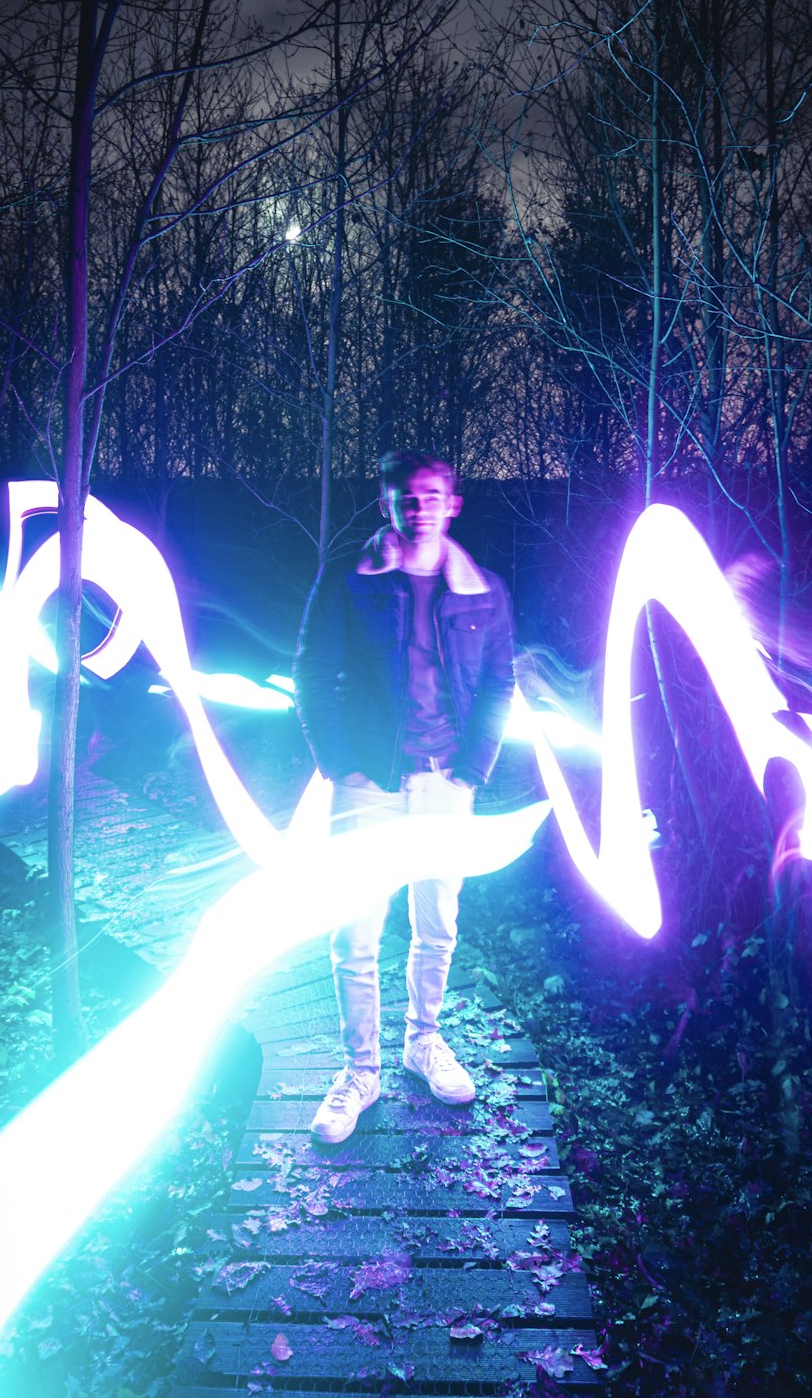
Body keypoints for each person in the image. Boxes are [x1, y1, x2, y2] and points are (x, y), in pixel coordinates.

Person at [293, 450, 515, 1144]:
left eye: (430, 496)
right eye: (403, 498)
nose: (417, 508)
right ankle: (361, 1071)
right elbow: (310, 673)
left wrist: (474, 769)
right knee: (355, 933)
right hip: (371, 782)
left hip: (446, 783)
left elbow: (500, 684)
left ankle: (424, 1042)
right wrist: (341, 766)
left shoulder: (486, 592)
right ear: (386, 505)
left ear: (453, 504)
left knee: (437, 925)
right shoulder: (349, 582)